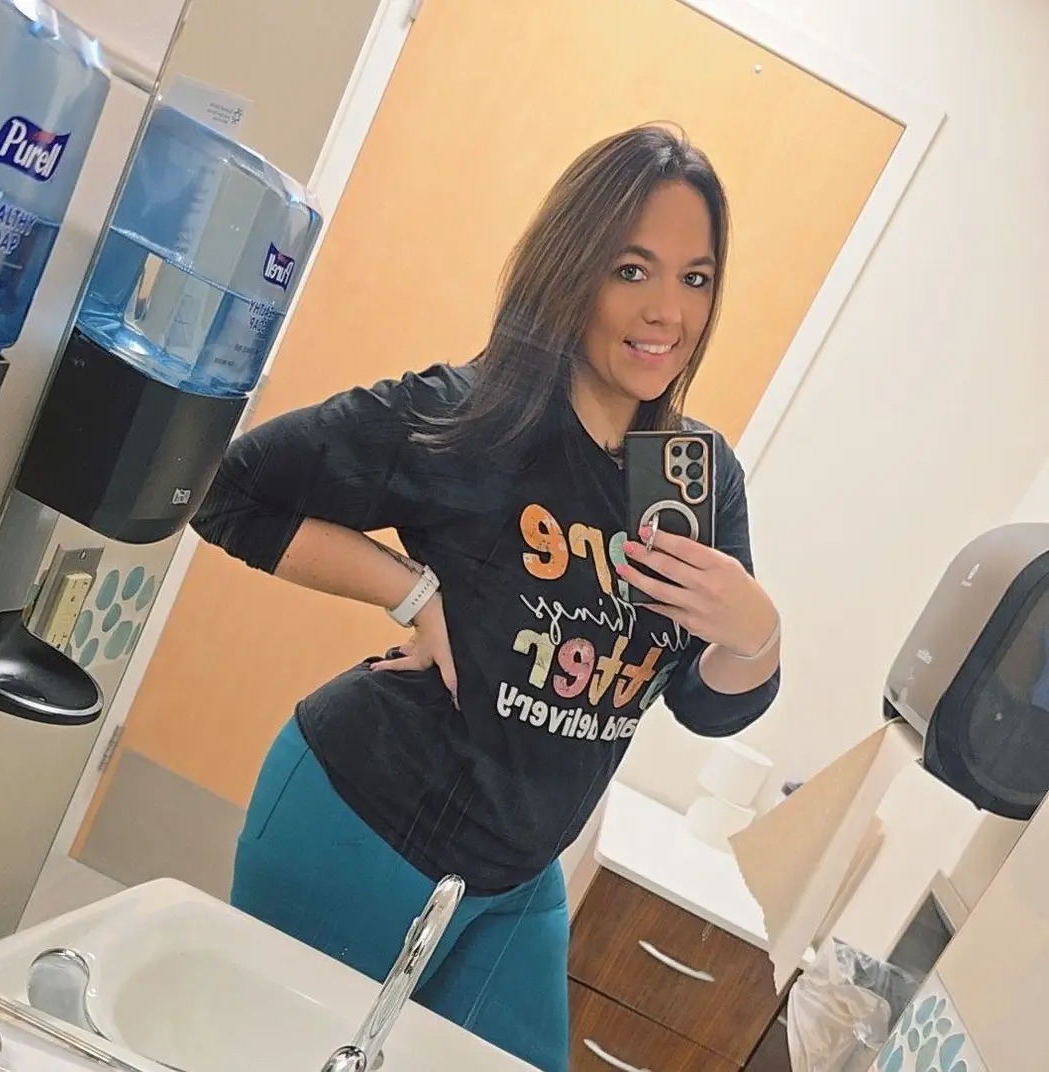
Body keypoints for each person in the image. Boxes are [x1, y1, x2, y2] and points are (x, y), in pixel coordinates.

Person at [191, 123, 781, 1072]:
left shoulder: (696, 478)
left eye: (696, 277)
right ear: (573, 268)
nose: (667, 311)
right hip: (365, 819)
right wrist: (412, 592)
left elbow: (702, 703)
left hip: (516, 873)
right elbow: (230, 494)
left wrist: (757, 635)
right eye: (632, 270)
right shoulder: (468, 418)